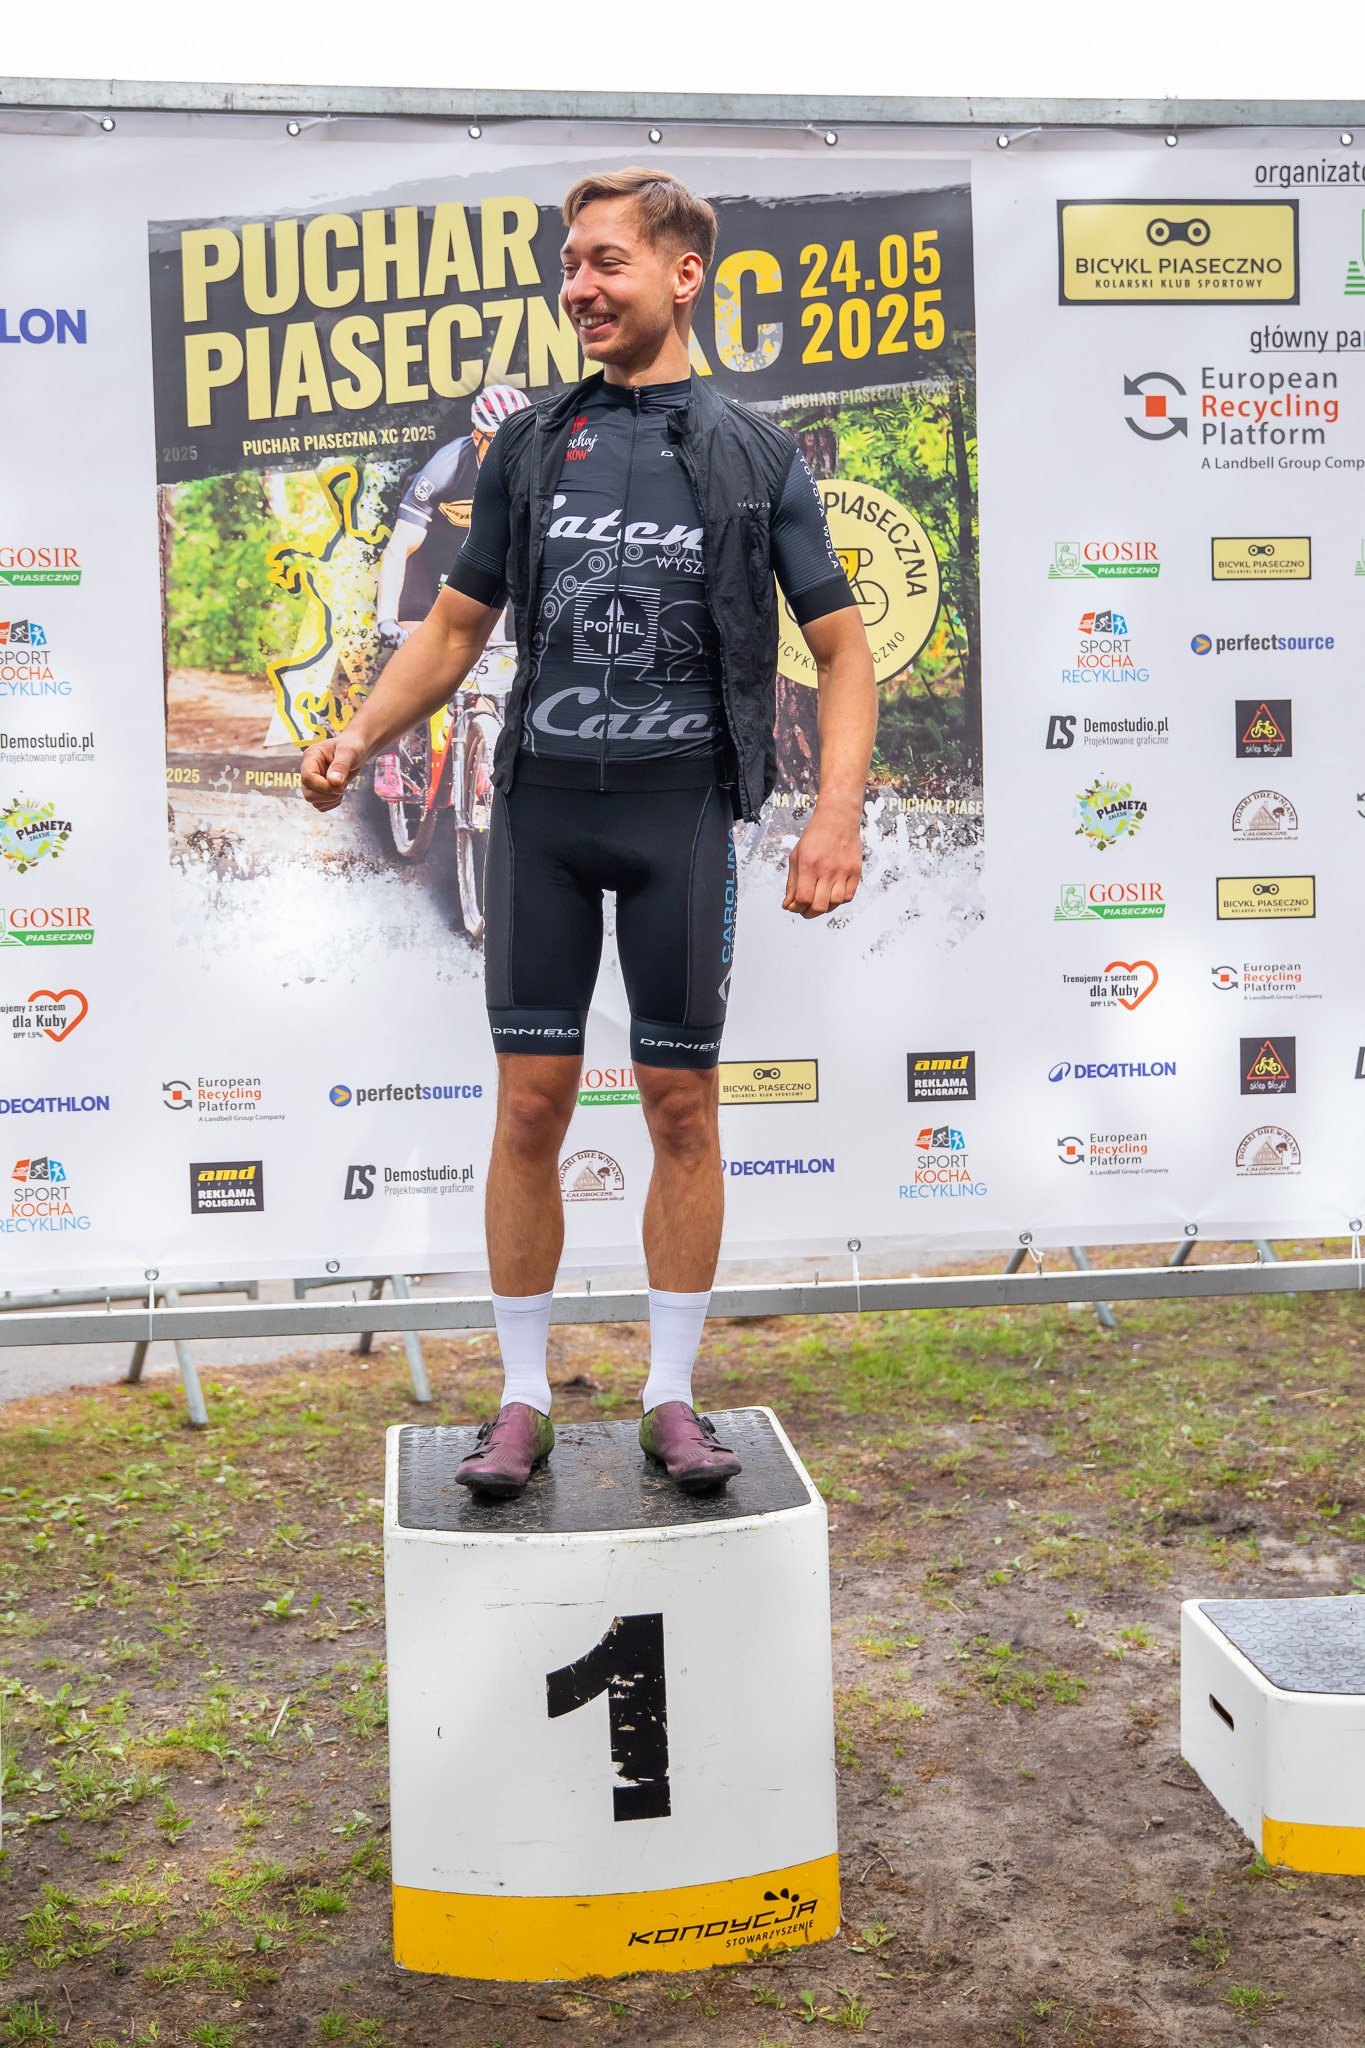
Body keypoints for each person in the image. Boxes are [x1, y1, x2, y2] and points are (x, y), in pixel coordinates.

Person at [301, 168, 877, 1500]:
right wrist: (360, 734)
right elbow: (456, 626)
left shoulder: (754, 454)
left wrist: (835, 810)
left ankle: (672, 1394)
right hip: (545, 813)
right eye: (569, 265)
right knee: (529, 1108)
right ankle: (519, 1399)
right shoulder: (530, 443)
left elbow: (843, 651)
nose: (579, 288)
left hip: (683, 814)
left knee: (680, 1106)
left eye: (605, 261)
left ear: (683, 274)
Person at [374, 385, 531, 644]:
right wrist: (386, 620)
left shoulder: (533, 466)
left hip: (481, 553)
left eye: (520, 440)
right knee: (415, 643)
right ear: (477, 437)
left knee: (492, 642)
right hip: (427, 552)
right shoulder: (444, 469)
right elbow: (399, 547)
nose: (512, 453)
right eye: (500, 442)